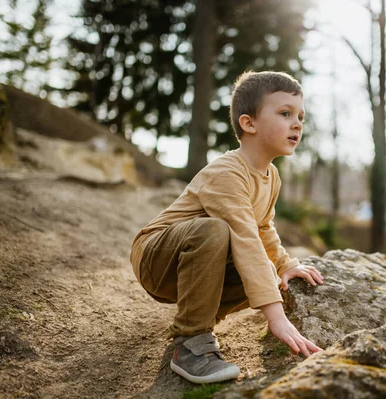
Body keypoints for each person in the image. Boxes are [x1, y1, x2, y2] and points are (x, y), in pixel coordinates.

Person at [130, 71, 324, 384]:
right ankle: (190, 342)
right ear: (249, 123)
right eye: (285, 113)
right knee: (216, 230)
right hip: (156, 259)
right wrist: (276, 317)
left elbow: (262, 228)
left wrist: (286, 265)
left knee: (268, 275)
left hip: (194, 265)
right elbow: (245, 238)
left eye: (300, 116)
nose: (297, 123)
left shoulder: (271, 176)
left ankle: (201, 317)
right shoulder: (227, 173)